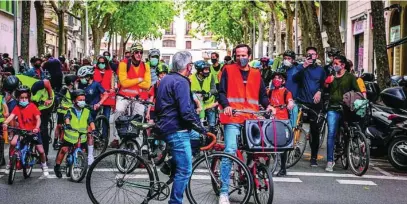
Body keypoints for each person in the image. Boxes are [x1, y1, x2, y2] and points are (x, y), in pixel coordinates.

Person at [218, 44, 273, 204]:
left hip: (252, 119)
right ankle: (224, 192)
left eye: (243, 55)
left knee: (259, 150)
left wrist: (268, 105)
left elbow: (262, 95)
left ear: (249, 56)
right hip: (233, 118)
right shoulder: (227, 70)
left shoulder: (256, 73)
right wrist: (226, 105)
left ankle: (250, 171)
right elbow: (221, 91)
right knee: (229, 151)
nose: (240, 58)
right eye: (238, 55)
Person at [155, 51, 206, 204]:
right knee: (185, 170)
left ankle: (171, 163)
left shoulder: (167, 79)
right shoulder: (182, 81)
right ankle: (175, 201)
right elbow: (185, 112)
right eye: (191, 65)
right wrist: (201, 128)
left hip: (166, 125)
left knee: (197, 140)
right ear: (188, 66)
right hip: (176, 129)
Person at [324, 55, 360, 172]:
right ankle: (330, 161)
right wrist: (327, 83)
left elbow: (357, 92)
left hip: (346, 108)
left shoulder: (350, 77)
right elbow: (325, 90)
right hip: (332, 108)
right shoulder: (331, 76)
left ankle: (349, 151)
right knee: (331, 134)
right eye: (333, 64)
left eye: (336, 63)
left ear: (343, 65)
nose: (334, 66)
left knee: (349, 131)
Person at [3, 85, 49, 176]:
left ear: (29, 97)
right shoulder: (17, 108)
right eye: (21, 98)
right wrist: (5, 123)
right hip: (21, 131)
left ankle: (44, 166)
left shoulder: (32, 106)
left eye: (25, 98)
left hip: (33, 131)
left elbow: (38, 119)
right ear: (18, 98)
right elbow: (11, 117)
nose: (23, 100)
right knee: (12, 143)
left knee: (41, 151)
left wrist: (36, 127)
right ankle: (9, 164)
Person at [112, 43, 151, 147]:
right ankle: (116, 136)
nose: (139, 54)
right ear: (132, 53)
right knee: (119, 110)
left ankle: (138, 149)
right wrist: (139, 80)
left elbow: (147, 85)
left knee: (138, 121)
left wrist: (131, 81)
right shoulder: (123, 64)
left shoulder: (145, 65)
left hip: (139, 98)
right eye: (137, 52)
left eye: (141, 52)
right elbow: (124, 82)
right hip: (123, 96)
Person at [293, 46, 326, 167]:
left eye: (313, 54)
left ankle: (313, 157)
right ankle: (293, 149)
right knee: (296, 126)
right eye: (308, 54)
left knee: (315, 130)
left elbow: (324, 85)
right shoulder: (301, 68)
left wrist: (320, 91)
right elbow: (294, 78)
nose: (311, 56)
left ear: (316, 56)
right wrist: (304, 66)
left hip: (315, 104)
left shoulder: (321, 70)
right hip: (302, 101)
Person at [54, 89, 97, 178]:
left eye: (83, 100)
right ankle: (57, 167)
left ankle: (79, 166)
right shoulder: (69, 110)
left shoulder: (86, 111)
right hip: (70, 137)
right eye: (80, 100)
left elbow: (91, 121)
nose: (82, 102)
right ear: (74, 101)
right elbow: (67, 118)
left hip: (82, 137)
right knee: (63, 150)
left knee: (83, 152)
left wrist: (93, 129)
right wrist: (68, 124)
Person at [15, 74, 54, 157]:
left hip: (45, 104)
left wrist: (50, 98)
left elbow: (47, 82)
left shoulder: (34, 87)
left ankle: (44, 154)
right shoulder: (16, 84)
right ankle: (31, 149)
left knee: (42, 129)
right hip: (34, 102)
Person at [269, 71, 295, 177]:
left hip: (282, 121)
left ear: (283, 81)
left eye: (279, 78)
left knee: (282, 146)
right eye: (275, 78)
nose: (276, 80)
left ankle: (283, 168)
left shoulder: (286, 92)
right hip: (271, 120)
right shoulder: (269, 92)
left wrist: (290, 104)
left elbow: (290, 100)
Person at [190, 60, 218, 133]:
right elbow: (189, 90)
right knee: (198, 125)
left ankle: (211, 139)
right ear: (200, 71)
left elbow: (214, 89)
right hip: (197, 105)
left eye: (208, 69)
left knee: (211, 125)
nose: (208, 71)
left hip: (209, 104)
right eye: (205, 70)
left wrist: (208, 94)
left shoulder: (211, 76)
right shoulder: (191, 78)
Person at [93, 56, 116, 139]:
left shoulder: (111, 73)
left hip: (107, 97)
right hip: (96, 96)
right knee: (94, 115)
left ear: (106, 63)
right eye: (99, 63)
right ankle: (94, 133)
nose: (101, 64)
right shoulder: (94, 72)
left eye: (103, 63)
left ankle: (104, 136)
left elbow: (113, 86)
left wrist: (111, 89)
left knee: (106, 117)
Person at [53, 74, 78, 150]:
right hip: (62, 111)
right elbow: (58, 98)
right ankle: (56, 141)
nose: (76, 83)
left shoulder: (74, 90)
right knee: (60, 126)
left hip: (70, 111)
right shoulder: (64, 90)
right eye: (75, 82)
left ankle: (62, 140)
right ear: (71, 83)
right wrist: (60, 105)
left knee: (66, 127)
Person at [281, 50, 301, 124]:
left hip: (293, 101)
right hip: (281, 102)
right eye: (285, 58)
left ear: (293, 60)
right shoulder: (280, 70)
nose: (286, 60)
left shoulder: (297, 71)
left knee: (293, 124)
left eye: (289, 58)